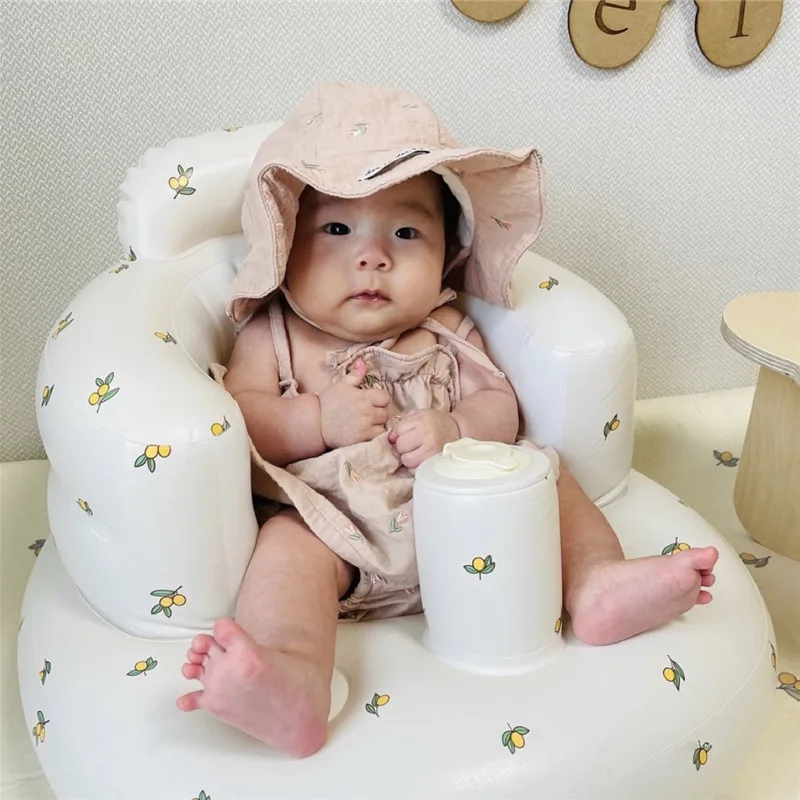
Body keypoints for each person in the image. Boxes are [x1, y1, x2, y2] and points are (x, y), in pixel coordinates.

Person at [176, 83, 718, 758]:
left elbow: (500, 405)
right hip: (337, 529)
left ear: (445, 262)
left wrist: (457, 429)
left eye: (406, 232)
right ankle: (294, 675)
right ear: (282, 248)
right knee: (286, 549)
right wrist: (316, 418)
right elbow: (242, 425)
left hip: (470, 529)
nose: (374, 256)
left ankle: (594, 582)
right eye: (338, 229)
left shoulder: (446, 329)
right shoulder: (273, 335)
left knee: (544, 472)